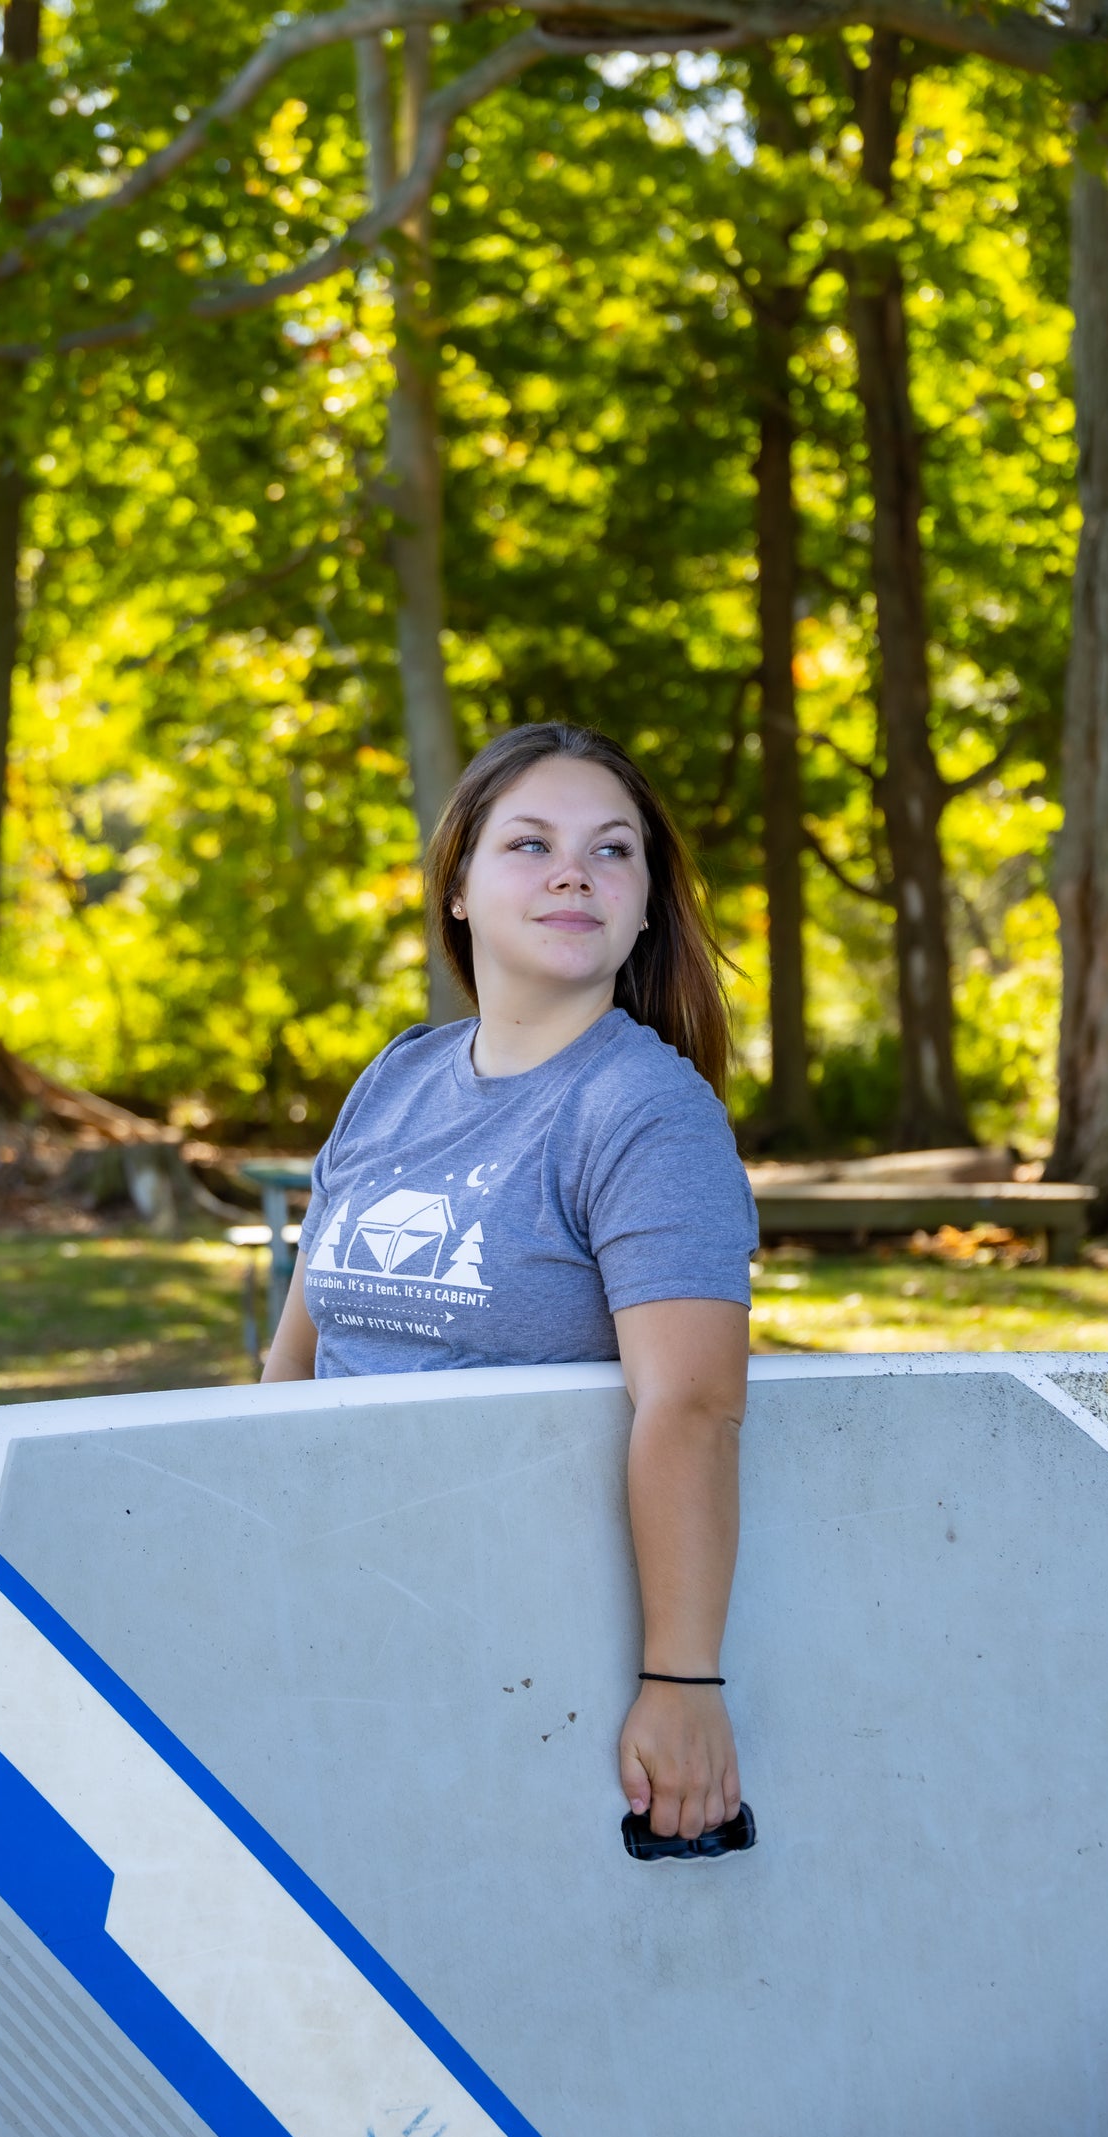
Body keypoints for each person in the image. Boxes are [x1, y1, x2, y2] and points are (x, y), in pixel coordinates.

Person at [263, 722, 758, 1844]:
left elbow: (692, 1405)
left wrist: (682, 1684)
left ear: (643, 908)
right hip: (331, 1605)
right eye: (529, 843)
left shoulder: (643, 1111)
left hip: (515, 1646)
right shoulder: (395, 1077)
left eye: (612, 850)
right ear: (458, 891)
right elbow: (296, 1351)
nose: (574, 870)